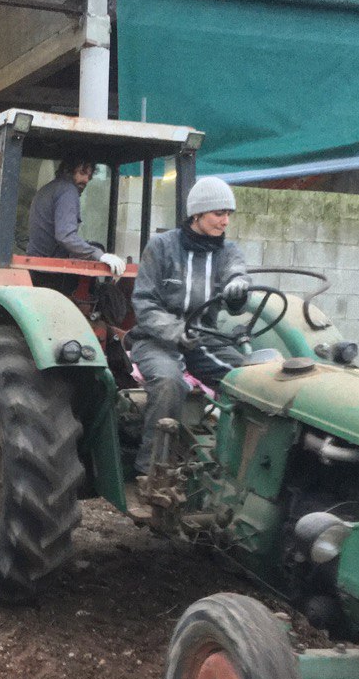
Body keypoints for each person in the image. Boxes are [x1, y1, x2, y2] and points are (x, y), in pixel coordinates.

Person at [129, 175, 252, 475]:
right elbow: (144, 304)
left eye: (228, 215)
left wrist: (238, 286)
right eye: (218, 213)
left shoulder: (228, 252)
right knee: (170, 383)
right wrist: (175, 331)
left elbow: (238, 273)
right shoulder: (161, 247)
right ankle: (152, 470)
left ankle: (234, 468)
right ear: (197, 214)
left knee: (250, 382)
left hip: (204, 339)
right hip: (155, 340)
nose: (225, 221)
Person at [27, 158, 126, 280]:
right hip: (49, 272)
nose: (86, 180)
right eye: (82, 173)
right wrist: (99, 255)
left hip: (36, 267)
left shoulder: (50, 188)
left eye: (89, 176)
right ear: (68, 170)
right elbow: (66, 236)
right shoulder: (67, 191)